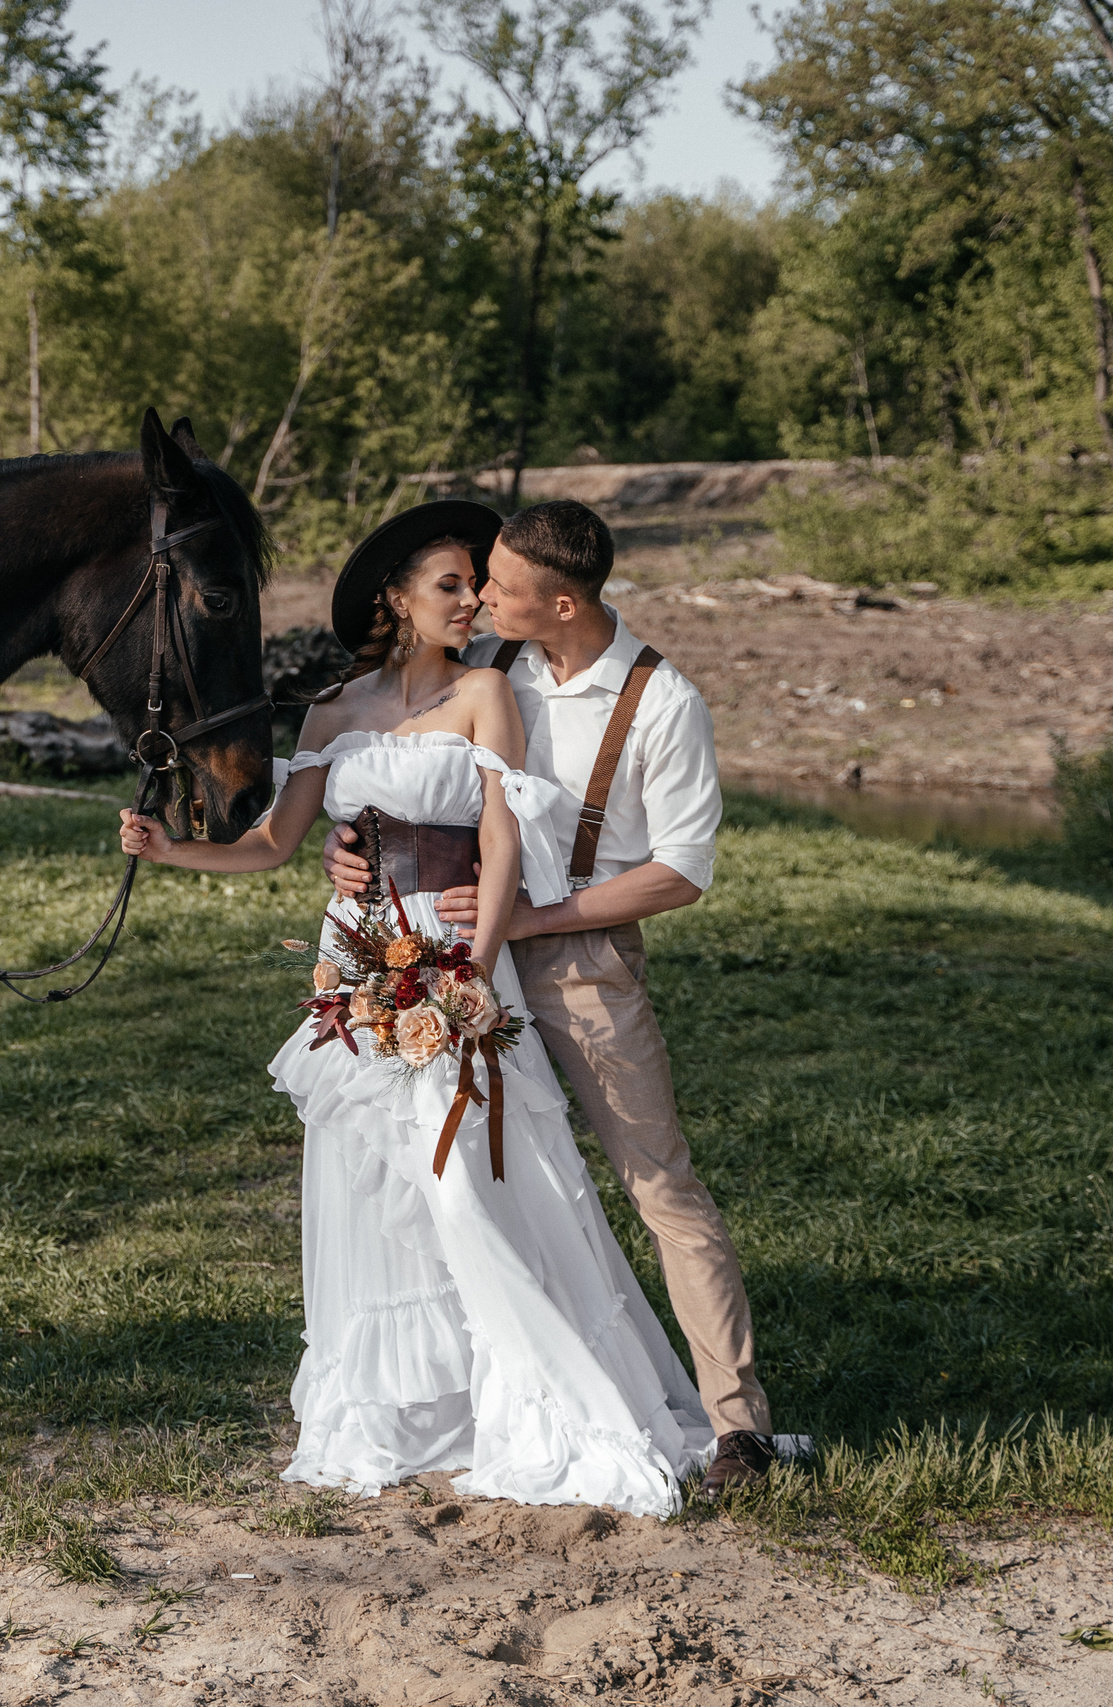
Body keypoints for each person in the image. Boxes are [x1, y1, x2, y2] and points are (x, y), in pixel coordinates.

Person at [119, 500, 713, 1515]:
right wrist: (169, 848)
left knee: (464, 1185)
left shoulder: (488, 691)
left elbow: (500, 845)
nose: (473, 600)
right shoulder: (330, 712)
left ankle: (551, 1400)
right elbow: (273, 842)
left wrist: (473, 968)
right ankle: (426, 1408)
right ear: (392, 598)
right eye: (451, 585)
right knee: (377, 1191)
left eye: (478, 585)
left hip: (451, 958)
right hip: (352, 962)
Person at [320, 498, 776, 1496]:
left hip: (581, 970)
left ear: (560, 602)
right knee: (454, 1190)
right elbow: (407, 761)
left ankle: (737, 1429)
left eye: (501, 584)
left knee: (659, 1188)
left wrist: (531, 920)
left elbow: (681, 872)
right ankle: (488, 1395)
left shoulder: (663, 703)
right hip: (442, 958)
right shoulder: (494, 665)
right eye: (477, 582)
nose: (480, 596)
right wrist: (349, 846)